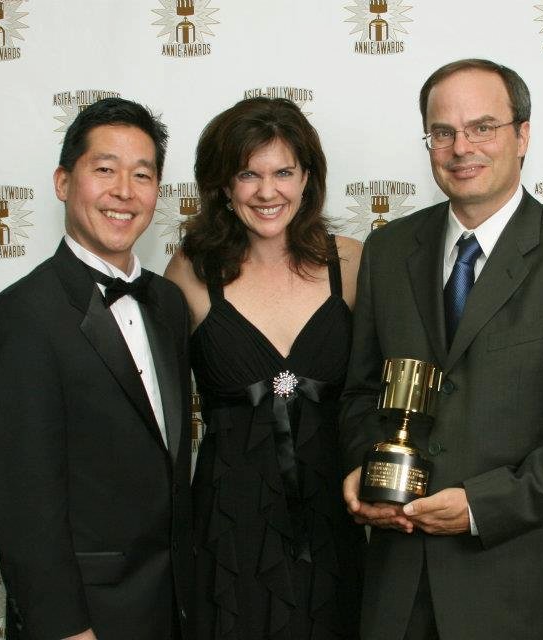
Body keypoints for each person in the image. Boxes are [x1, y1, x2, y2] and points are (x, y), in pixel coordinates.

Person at [338, 58, 543, 640]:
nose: (461, 147)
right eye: (443, 132)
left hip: (519, 592)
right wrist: (361, 467)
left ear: (522, 135)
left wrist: (483, 505)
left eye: (483, 127)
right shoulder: (387, 250)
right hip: (395, 585)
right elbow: (360, 392)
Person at [0, 98, 193, 640]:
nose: (124, 191)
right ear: (63, 182)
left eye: (142, 175)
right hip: (86, 619)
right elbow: (20, 500)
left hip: (173, 607)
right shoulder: (21, 315)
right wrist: (64, 627)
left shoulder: (168, 302)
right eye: (105, 170)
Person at [164, 97, 364, 639]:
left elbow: (383, 386)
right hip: (229, 522)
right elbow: (154, 401)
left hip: (338, 513)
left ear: (307, 178)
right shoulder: (190, 271)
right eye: (247, 174)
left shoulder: (350, 261)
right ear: (223, 186)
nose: (267, 191)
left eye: (283, 172)